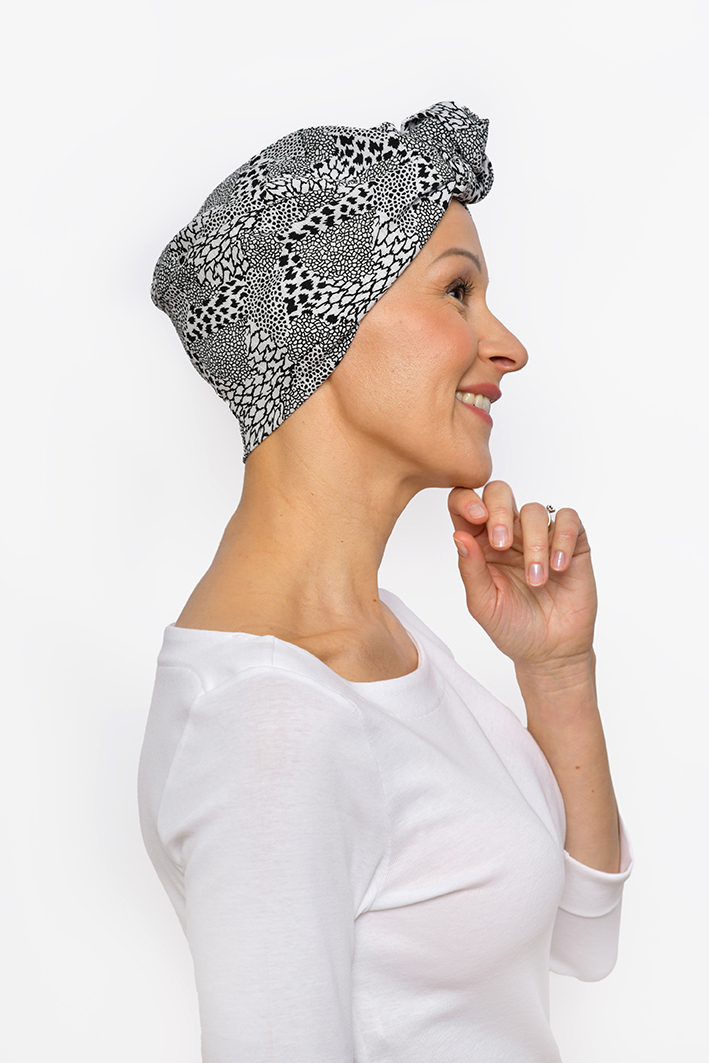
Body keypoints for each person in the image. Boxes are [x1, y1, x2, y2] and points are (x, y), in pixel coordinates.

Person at [138, 101, 633, 1063]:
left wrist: (557, 672)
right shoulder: (267, 721)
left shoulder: (379, 633)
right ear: (320, 320)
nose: (507, 344)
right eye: (456, 291)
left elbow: (581, 937)